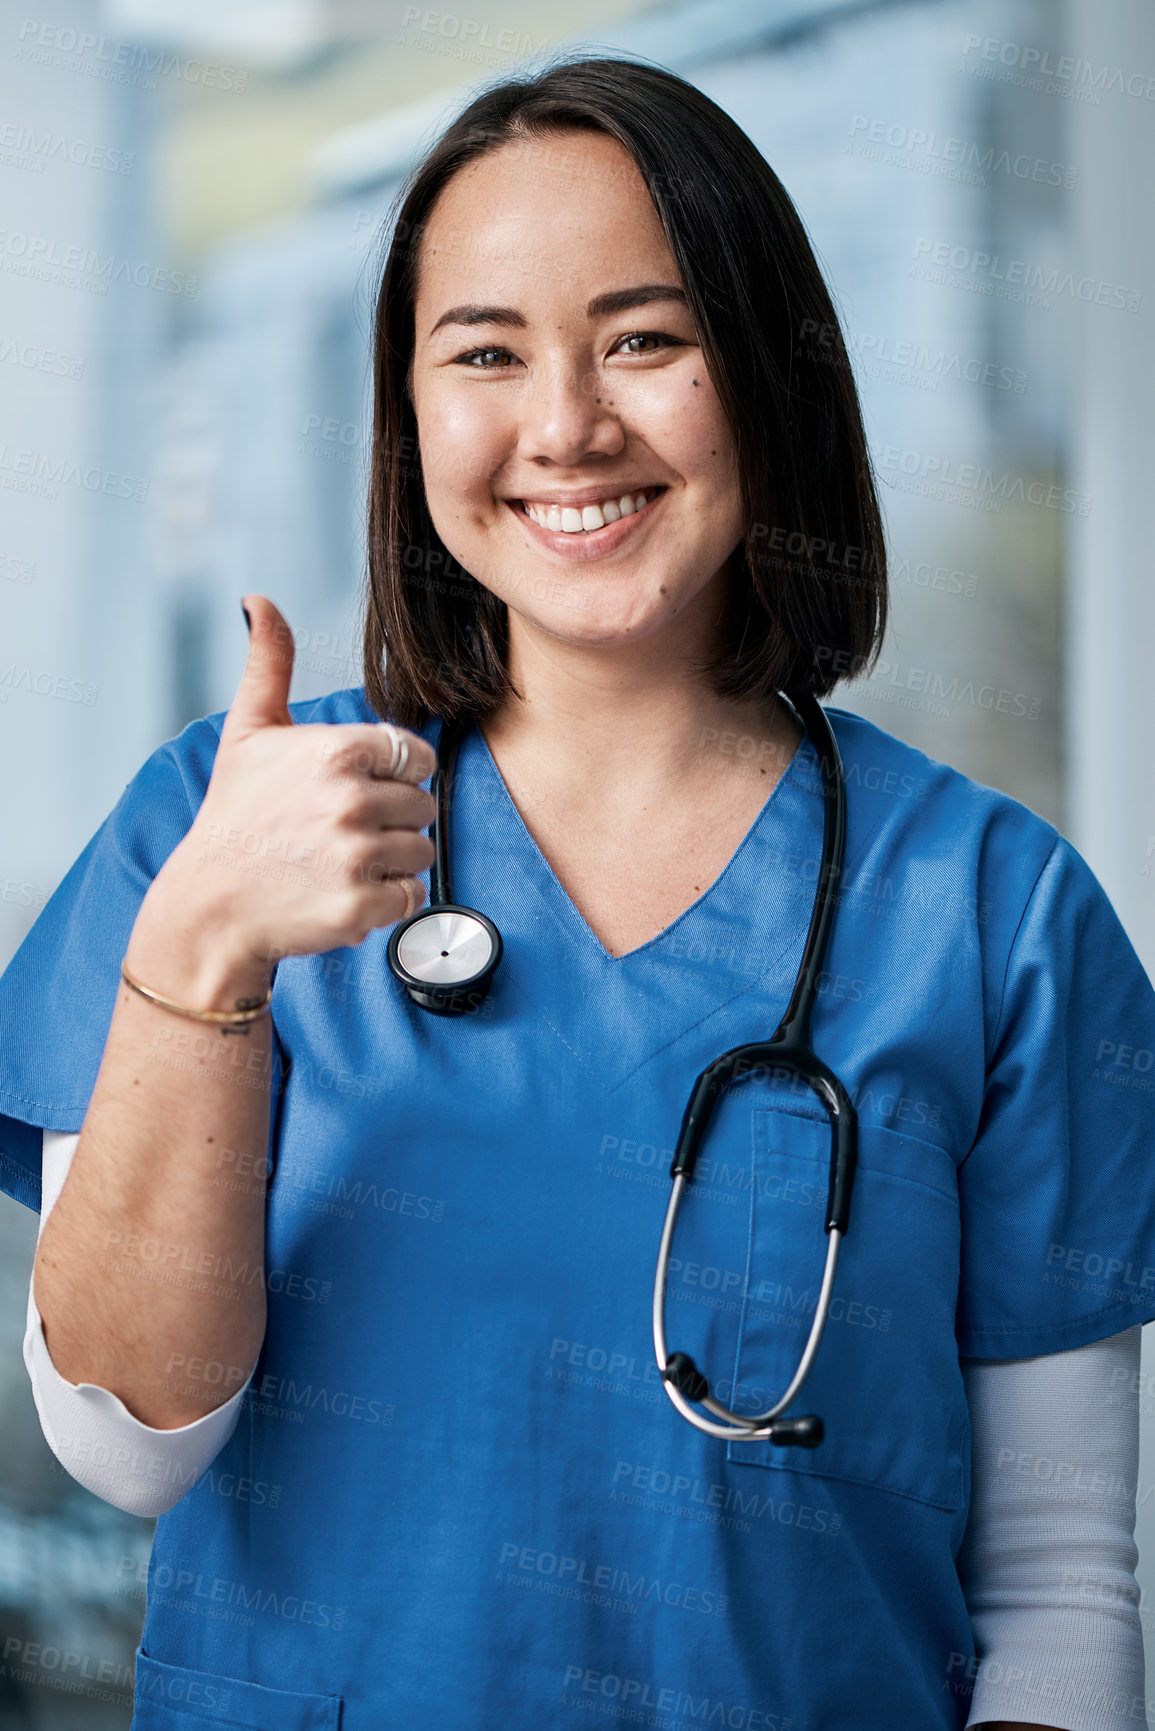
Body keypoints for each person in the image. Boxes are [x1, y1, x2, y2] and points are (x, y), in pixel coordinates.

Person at [1, 55, 1153, 1731]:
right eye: (484, 352)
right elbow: (126, 1446)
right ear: (409, 413)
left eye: (646, 341)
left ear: (766, 378)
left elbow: (1058, 1579)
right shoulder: (215, 828)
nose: (566, 428)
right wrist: (204, 956)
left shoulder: (1000, 917)